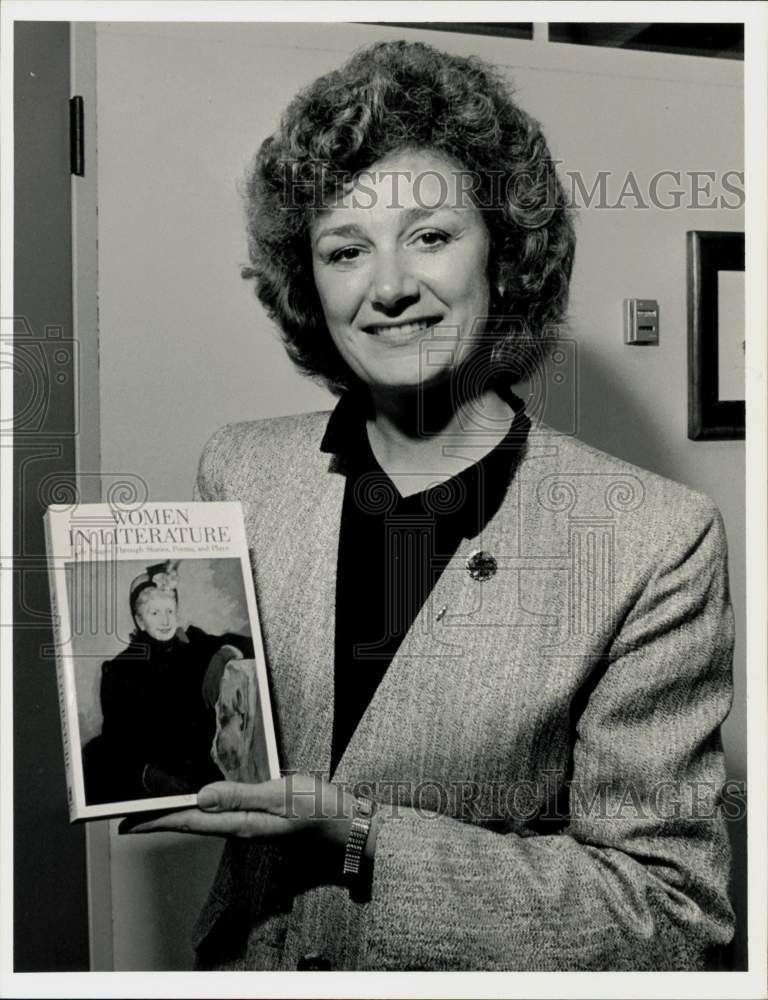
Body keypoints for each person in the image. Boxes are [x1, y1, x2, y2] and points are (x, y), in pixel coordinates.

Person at [125, 40, 735, 971]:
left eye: (431, 235)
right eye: (345, 249)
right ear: (308, 286)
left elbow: (668, 911)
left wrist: (365, 835)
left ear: (506, 254)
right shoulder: (240, 471)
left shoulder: (653, 540)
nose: (391, 286)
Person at [84, 561, 254, 803]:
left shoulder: (194, 645)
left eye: (169, 611)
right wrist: (150, 776)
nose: (165, 621)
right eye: (154, 613)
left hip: (198, 765)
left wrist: (225, 653)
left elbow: (255, 642)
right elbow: (116, 740)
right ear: (140, 621)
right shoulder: (119, 669)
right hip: (150, 774)